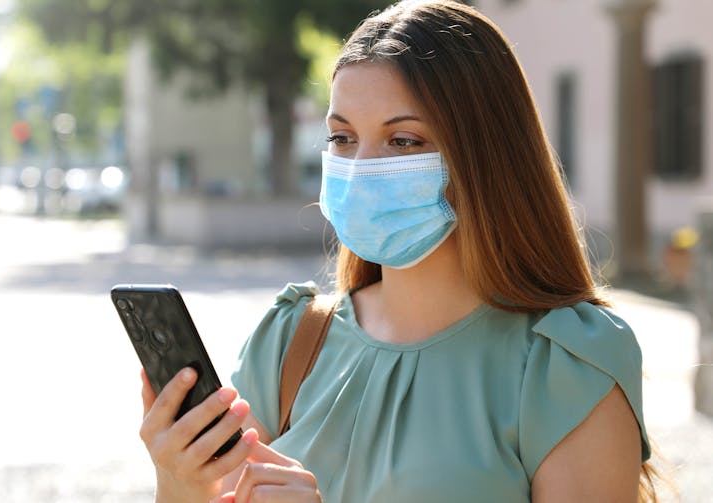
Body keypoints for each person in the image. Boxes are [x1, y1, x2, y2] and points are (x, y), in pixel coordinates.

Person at [138, 1, 659, 501]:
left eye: (404, 141)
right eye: (342, 138)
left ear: (487, 155)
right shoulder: (290, 339)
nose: (361, 167)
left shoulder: (565, 364)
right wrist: (180, 486)